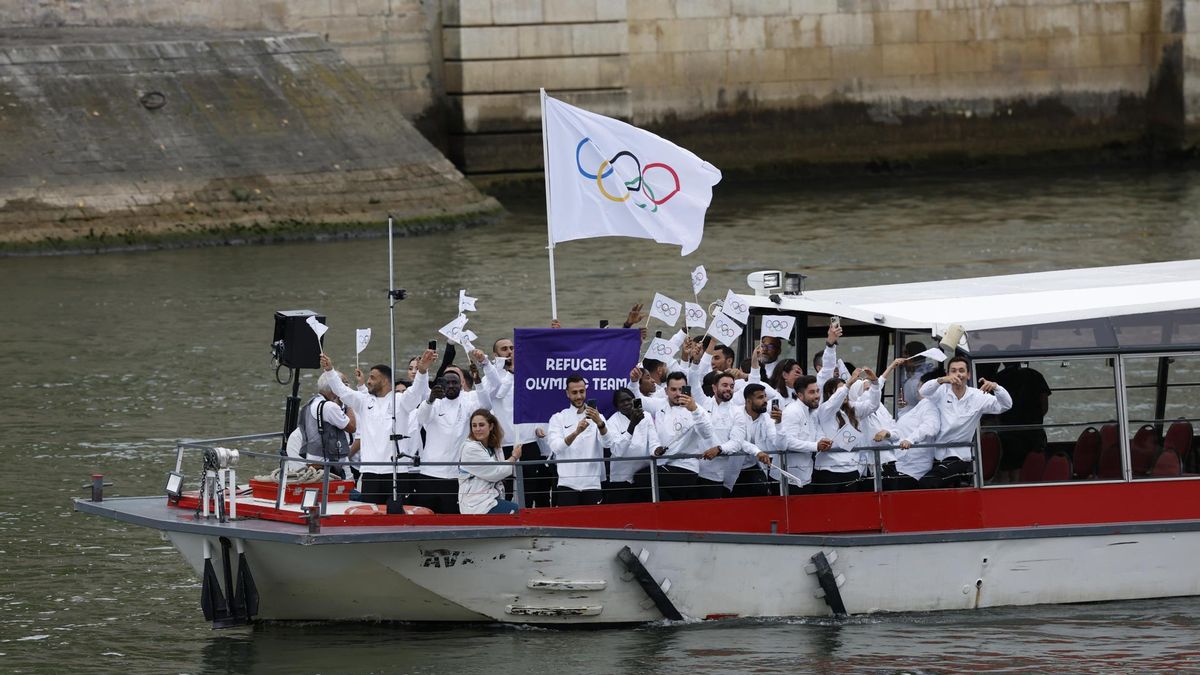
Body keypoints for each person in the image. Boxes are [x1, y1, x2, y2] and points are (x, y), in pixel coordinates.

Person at [321, 350, 434, 506]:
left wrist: (422, 371)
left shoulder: (401, 400)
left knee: (396, 515)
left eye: (373, 378)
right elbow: (341, 390)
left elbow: (416, 392)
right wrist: (329, 370)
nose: (368, 381)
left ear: (385, 381)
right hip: (370, 473)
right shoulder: (363, 401)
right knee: (370, 515)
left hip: (396, 472)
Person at [414, 349, 494, 514]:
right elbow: (421, 418)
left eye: (454, 382)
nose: (451, 386)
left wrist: (478, 380)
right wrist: (431, 399)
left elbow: (486, 406)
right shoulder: (434, 401)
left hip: (457, 476)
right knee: (425, 519)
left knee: (452, 520)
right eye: (447, 382)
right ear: (441, 384)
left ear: (461, 384)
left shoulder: (469, 400)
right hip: (429, 473)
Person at [917, 356, 1013, 489]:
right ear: (948, 374)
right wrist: (941, 380)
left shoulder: (978, 396)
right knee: (908, 483)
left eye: (961, 371)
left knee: (926, 483)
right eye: (953, 371)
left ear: (968, 375)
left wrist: (996, 387)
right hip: (935, 454)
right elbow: (923, 391)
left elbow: (1006, 405)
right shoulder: (941, 392)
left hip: (959, 457)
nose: (958, 374)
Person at [546, 375, 611, 506]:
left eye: (582, 391)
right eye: (574, 392)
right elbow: (556, 447)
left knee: (593, 520)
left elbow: (607, 443)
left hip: (592, 483)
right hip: (566, 484)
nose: (579, 396)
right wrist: (576, 433)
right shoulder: (558, 418)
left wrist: (600, 424)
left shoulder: (598, 417)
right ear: (567, 393)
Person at [652, 371, 713, 501]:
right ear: (666, 391)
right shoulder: (660, 405)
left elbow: (707, 434)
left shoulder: (697, 409)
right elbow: (637, 398)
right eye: (673, 389)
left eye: (681, 389)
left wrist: (694, 410)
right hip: (663, 464)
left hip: (686, 467)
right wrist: (634, 382)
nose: (678, 393)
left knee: (644, 478)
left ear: (687, 389)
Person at [813, 369, 877, 493]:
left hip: (851, 469)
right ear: (830, 393)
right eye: (840, 390)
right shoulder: (824, 410)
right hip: (829, 470)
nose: (845, 393)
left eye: (846, 390)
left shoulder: (851, 409)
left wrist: (875, 383)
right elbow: (834, 401)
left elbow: (873, 405)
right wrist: (848, 383)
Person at [993, 347, 1051, 483]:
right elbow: (1044, 404)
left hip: (1008, 431)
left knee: (1007, 469)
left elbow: (995, 407)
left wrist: (1001, 423)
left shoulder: (999, 379)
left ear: (1004, 361)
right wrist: (1035, 419)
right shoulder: (1036, 375)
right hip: (1033, 430)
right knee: (1030, 468)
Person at [718, 383, 778, 497]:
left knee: (761, 492)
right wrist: (757, 451)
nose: (765, 400)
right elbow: (737, 440)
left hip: (753, 466)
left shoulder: (767, 417)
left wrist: (779, 424)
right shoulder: (735, 413)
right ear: (748, 401)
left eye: (765, 396)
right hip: (731, 467)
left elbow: (776, 440)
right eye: (760, 397)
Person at [295, 370, 357, 479]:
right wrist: (348, 402)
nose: (346, 388)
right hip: (329, 466)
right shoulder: (330, 407)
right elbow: (352, 427)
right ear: (334, 387)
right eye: (344, 385)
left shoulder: (312, 403)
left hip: (313, 462)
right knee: (349, 488)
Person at [458, 409, 522, 515]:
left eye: (481, 425)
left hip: (491, 498)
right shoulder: (470, 448)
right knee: (518, 512)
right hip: (477, 504)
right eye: (474, 426)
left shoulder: (494, 446)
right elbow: (497, 472)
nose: (477, 429)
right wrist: (514, 457)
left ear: (491, 426)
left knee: (520, 511)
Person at [694, 371, 743, 499]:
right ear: (714, 388)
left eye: (732, 386)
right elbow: (693, 382)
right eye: (725, 385)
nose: (729, 389)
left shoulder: (737, 412)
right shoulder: (703, 403)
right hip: (693, 470)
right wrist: (695, 364)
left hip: (715, 474)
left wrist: (719, 449)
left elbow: (737, 442)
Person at [777, 375, 827, 493]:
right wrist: (816, 446)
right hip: (788, 478)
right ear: (800, 395)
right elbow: (788, 442)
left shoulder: (812, 411)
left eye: (817, 391)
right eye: (812, 392)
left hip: (806, 475)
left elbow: (818, 431)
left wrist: (823, 441)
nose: (817, 396)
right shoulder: (792, 411)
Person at [605, 388, 656, 503]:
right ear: (617, 406)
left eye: (629, 399)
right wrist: (632, 425)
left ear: (634, 400)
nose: (626, 403)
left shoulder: (646, 416)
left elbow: (653, 441)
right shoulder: (612, 422)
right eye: (622, 401)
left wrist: (656, 450)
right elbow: (618, 451)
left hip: (643, 477)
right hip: (621, 479)